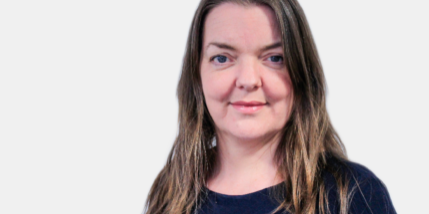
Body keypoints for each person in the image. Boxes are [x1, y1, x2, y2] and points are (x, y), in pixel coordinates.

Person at [144, 0, 396, 213]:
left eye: (274, 58)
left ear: (302, 74)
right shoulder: (170, 192)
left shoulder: (353, 195)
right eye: (222, 58)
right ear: (197, 75)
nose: (248, 80)